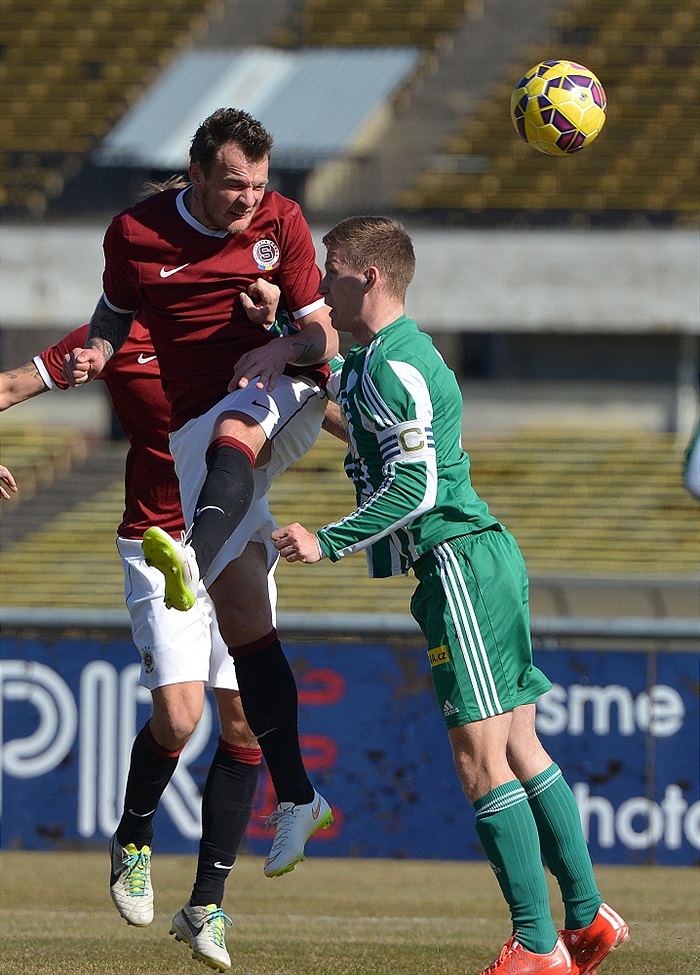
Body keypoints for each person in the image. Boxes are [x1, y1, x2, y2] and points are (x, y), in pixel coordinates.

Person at [271, 216, 630, 975]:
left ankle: (538, 946)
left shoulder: (397, 364)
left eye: (332, 270)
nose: (322, 284)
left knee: (481, 762)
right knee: (521, 746)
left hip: (457, 563)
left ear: (370, 276)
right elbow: (363, 425)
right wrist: (283, 337)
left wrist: (328, 539)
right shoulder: (383, 359)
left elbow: (417, 485)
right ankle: (587, 915)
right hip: (478, 557)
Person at [61, 107, 338, 884]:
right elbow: (115, 311)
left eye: (258, 183)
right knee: (248, 627)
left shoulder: (283, 221)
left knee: (236, 430)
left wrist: (281, 336)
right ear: (197, 173)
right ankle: (298, 794)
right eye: (233, 185)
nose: (250, 199)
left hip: (273, 393)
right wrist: (99, 347)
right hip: (196, 432)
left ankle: (187, 550)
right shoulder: (135, 233)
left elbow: (324, 335)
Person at [0, 283, 278, 972]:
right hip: (157, 545)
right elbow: (8, 384)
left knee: (245, 721)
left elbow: (326, 400)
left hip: (239, 540)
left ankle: (205, 903)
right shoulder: (113, 338)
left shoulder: (249, 332)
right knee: (180, 719)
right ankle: (133, 837)